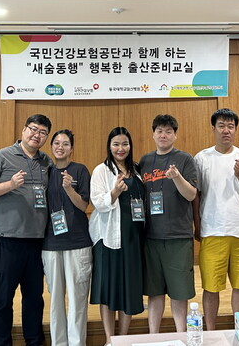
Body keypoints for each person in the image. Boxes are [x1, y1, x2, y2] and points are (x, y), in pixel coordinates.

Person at [0, 114, 53, 346]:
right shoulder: (1, 156)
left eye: (42, 132)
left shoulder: (46, 162)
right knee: (3, 298)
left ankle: (34, 342)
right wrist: (10, 185)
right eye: (33, 129)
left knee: (34, 298)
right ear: (23, 130)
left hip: (37, 240)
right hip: (8, 238)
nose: (36, 135)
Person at [193, 108, 239, 330]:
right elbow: (196, 196)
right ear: (213, 128)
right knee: (211, 287)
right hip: (212, 230)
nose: (226, 130)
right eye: (221, 126)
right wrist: (197, 225)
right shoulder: (201, 158)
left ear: (235, 129)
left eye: (230, 126)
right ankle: (210, 332)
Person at [139, 115, 198, 333]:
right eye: (159, 131)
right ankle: (153, 336)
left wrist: (177, 177)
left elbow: (191, 195)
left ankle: (182, 336)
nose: (163, 135)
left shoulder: (185, 159)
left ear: (175, 135)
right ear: (153, 134)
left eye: (168, 131)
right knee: (154, 293)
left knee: (179, 293)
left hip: (178, 237)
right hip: (151, 237)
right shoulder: (145, 161)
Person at [89, 127, 145, 346]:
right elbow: (97, 202)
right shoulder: (101, 171)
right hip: (109, 237)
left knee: (129, 288)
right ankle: (109, 339)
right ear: (109, 146)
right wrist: (114, 192)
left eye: (125, 144)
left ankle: (123, 338)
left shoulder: (137, 170)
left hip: (134, 238)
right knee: (108, 289)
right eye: (116, 144)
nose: (121, 148)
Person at [42, 130, 92, 346]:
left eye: (65, 144)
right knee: (55, 300)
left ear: (72, 148)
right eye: (56, 143)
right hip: (50, 244)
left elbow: (83, 206)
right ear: (51, 146)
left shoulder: (80, 170)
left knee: (77, 299)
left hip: (77, 243)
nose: (60, 147)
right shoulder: (45, 171)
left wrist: (69, 188)